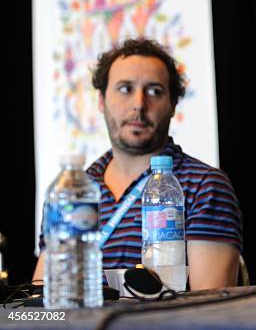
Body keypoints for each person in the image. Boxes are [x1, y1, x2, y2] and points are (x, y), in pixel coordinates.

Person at [34, 38, 242, 290]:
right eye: (125, 89)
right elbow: (43, 296)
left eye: (154, 91)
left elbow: (211, 307)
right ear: (101, 101)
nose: (139, 104)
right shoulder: (73, 192)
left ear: (173, 105)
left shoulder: (204, 186)